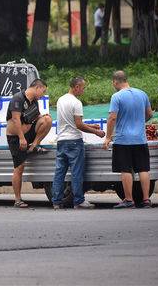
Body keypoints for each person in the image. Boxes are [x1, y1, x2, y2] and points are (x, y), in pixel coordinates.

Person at [52, 77, 106, 210]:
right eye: (82, 87)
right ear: (76, 87)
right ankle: (78, 201)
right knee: (76, 172)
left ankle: (56, 201)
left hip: (61, 140)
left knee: (60, 172)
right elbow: (78, 125)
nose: (83, 90)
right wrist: (95, 132)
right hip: (74, 142)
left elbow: (70, 123)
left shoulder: (61, 100)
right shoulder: (76, 103)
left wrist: (90, 125)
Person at [103, 71, 153, 208]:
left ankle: (129, 200)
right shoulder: (142, 94)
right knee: (143, 169)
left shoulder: (117, 96)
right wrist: (140, 122)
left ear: (115, 81)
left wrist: (108, 136)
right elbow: (149, 114)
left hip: (123, 139)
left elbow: (112, 117)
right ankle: (146, 199)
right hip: (140, 139)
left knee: (125, 170)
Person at [6, 79, 52, 208]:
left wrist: (42, 116)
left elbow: (35, 116)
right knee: (19, 168)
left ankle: (34, 146)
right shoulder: (18, 98)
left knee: (47, 120)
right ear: (37, 87)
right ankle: (17, 199)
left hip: (28, 134)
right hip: (16, 136)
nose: (43, 94)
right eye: (43, 91)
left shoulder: (34, 101)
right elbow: (15, 120)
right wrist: (21, 138)